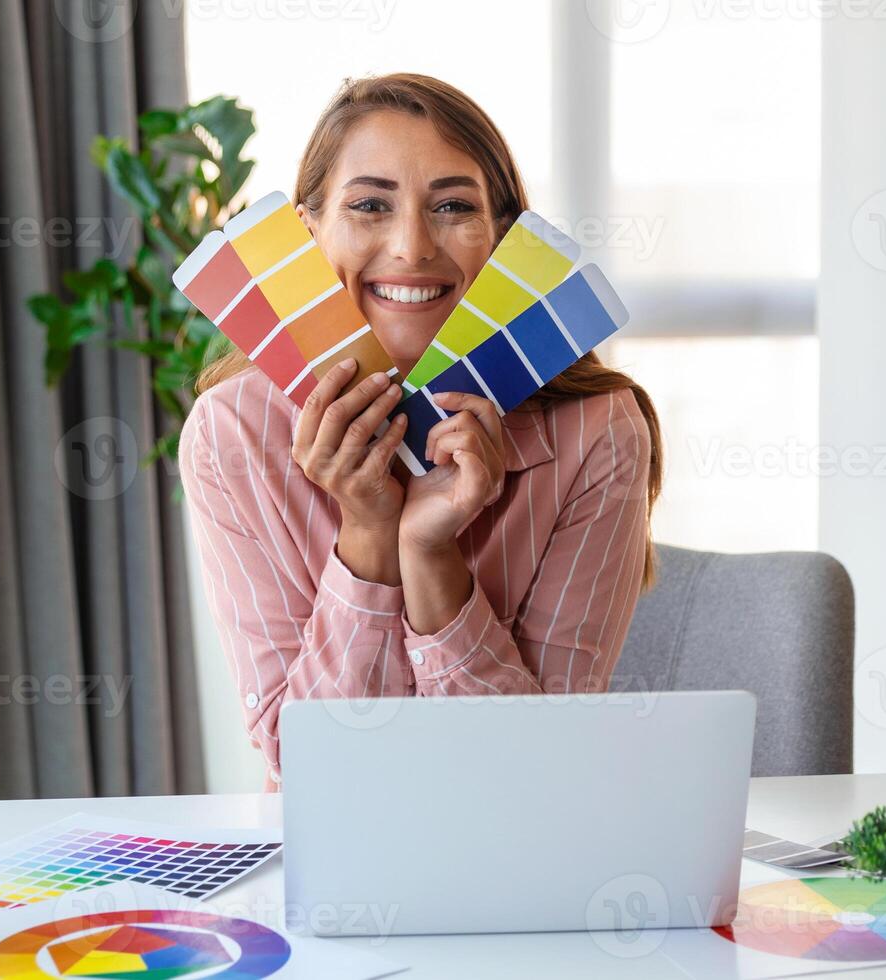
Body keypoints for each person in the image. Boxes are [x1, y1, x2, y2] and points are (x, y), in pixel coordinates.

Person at [180, 73, 664, 790]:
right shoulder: (232, 436)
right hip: (331, 869)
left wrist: (428, 551)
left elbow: (536, 773)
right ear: (306, 233)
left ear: (502, 236)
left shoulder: (598, 432)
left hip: (524, 861)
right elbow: (319, 771)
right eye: (370, 204)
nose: (410, 247)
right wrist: (370, 535)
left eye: (453, 206)